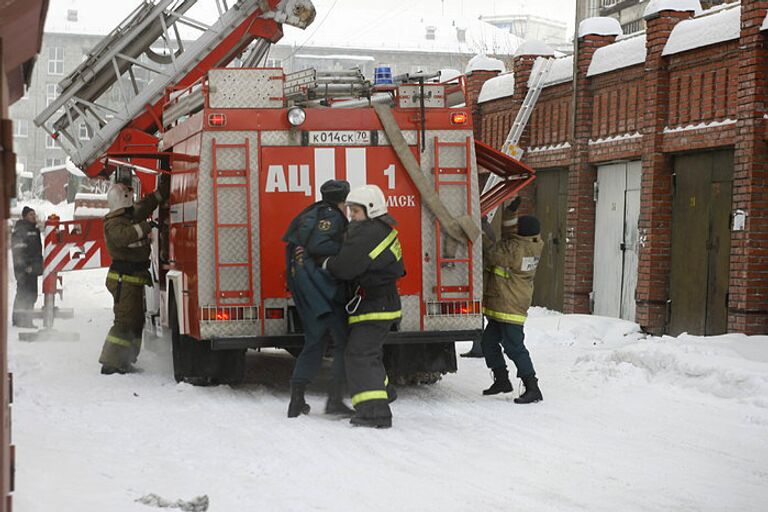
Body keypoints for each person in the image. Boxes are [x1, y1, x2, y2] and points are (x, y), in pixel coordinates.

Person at [323, 184, 404, 428]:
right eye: (350, 211)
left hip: (375, 304)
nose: (351, 217)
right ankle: (383, 391)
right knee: (368, 353)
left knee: (360, 354)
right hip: (379, 302)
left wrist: (326, 263)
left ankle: (375, 412)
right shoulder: (379, 229)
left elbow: (345, 267)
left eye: (355, 212)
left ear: (370, 210)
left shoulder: (368, 233)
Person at [283, 179, 354, 418]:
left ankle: (297, 399)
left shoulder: (312, 211)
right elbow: (320, 243)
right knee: (343, 343)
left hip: (308, 288)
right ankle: (334, 400)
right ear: (342, 200)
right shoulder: (331, 217)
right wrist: (345, 252)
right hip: (323, 290)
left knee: (315, 341)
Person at [99, 180, 165, 375]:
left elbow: (144, 206)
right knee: (125, 322)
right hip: (123, 280)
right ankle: (110, 363)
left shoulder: (126, 216)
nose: (133, 201)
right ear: (124, 200)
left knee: (136, 322)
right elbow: (124, 236)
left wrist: (160, 193)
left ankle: (125, 359)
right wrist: (146, 226)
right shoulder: (113, 223)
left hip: (132, 279)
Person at [480, 205, 544, 404]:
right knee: (488, 343)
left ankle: (532, 387)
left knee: (514, 347)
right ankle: (501, 380)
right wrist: (510, 213)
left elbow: (490, 254)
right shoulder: (532, 245)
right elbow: (508, 237)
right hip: (505, 304)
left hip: (510, 306)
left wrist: (478, 230)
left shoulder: (515, 250)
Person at [460, 197, 522, 358]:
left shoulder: (483, 229)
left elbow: (488, 249)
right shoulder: (486, 226)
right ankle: (479, 346)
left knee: (481, 313)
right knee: (482, 313)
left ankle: (479, 347)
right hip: (484, 276)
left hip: (483, 277)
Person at [11, 206, 43, 328]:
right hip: (24, 269)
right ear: (24, 216)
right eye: (30, 214)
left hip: (33, 268)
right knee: (24, 293)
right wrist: (25, 267)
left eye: (34, 214)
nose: (33, 216)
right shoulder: (20, 230)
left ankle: (25, 319)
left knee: (32, 294)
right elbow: (18, 251)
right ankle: (20, 320)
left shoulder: (34, 230)